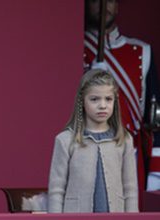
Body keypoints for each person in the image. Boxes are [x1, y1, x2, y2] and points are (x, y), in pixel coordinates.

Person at [83, 0, 160, 193]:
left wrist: (156, 171)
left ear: (117, 6)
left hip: (129, 157)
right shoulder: (75, 48)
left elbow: (155, 115)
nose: (103, 6)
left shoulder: (142, 51)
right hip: (84, 152)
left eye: (110, 0)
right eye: (95, 0)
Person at [48, 69, 138, 213]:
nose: (102, 105)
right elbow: (56, 190)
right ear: (82, 101)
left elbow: (130, 189)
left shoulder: (124, 140)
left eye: (108, 99)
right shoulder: (65, 140)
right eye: (94, 99)